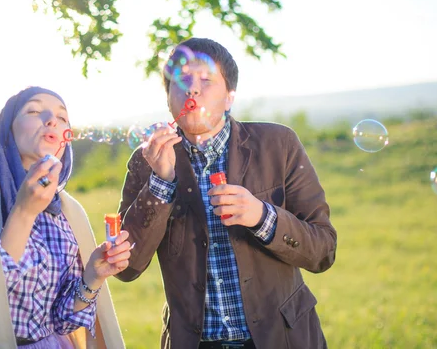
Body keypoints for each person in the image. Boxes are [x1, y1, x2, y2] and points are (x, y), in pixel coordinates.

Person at [115, 38, 337, 349]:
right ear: (169, 99)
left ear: (229, 97)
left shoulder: (278, 144)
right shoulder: (146, 162)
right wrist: (161, 182)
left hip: (283, 338)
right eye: (181, 81)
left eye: (206, 79)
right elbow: (127, 268)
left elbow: (323, 250)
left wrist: (263, 217)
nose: (192, 89)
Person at [0, 86, 131, 349]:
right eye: (34, 110)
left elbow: (62, 322)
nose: (52, 120)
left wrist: (92, 278)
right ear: (8, 129)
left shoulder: (67, 212)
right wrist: (24, 212)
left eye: (62, 117)